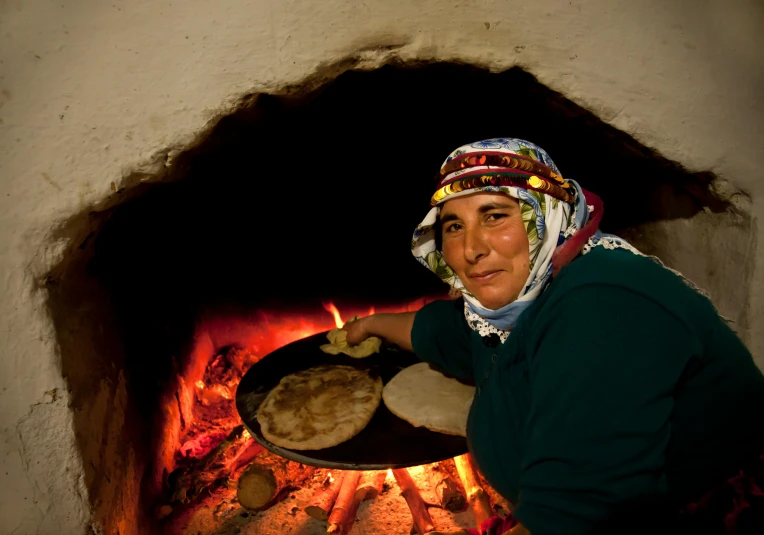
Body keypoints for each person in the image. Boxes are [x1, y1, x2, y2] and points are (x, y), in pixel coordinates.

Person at [345, 138, 764, 535]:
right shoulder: (517, 299)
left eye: (495, 216)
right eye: (454, 225)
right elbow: (448, 333)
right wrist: (370, 323)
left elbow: (578, 512)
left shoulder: (603, 303)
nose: (471, 248)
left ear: (547, 215)